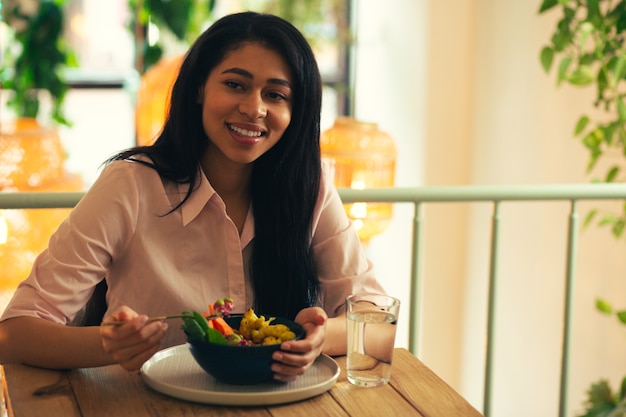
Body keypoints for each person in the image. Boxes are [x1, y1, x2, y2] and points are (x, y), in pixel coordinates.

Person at [0, 11, 385, 381]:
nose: (254, 108)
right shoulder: (131, 185)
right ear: (200, 87)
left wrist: (318, 339)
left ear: (296, 110)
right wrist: (107, 346)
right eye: (235, 84)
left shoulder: (309, 185)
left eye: (275, 94)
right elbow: (13, 335)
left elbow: (379, 324)